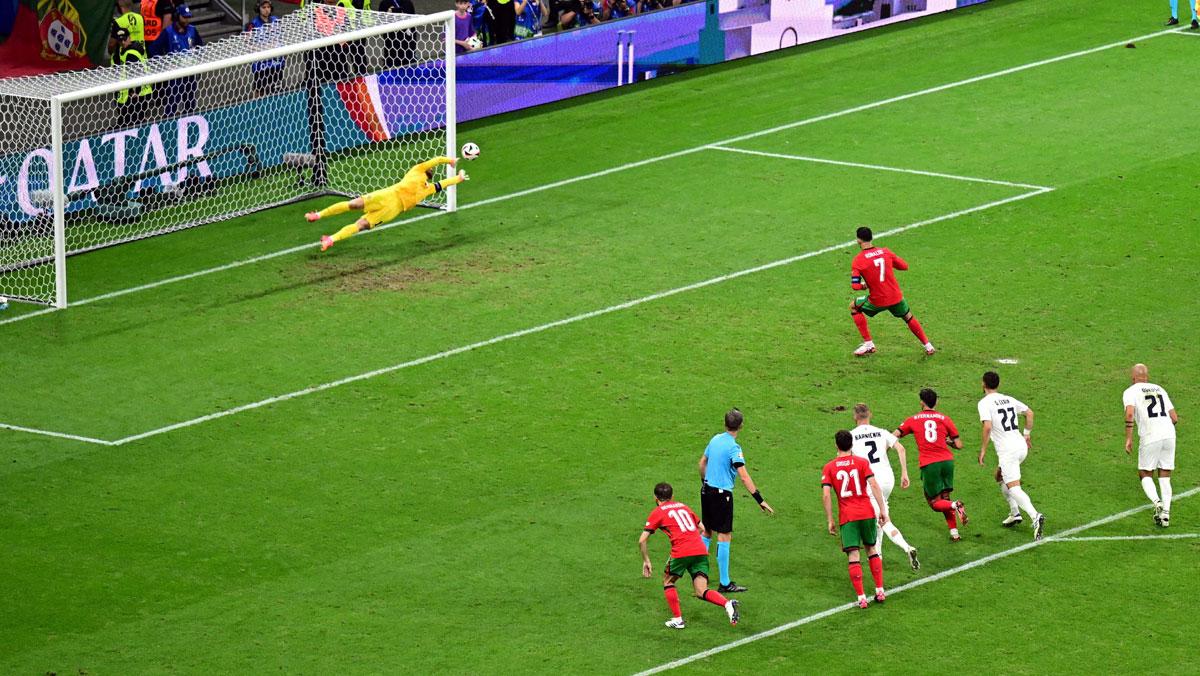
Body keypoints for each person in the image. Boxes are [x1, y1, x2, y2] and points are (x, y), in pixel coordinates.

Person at [306, 156, 469, 251]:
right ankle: (317, 215)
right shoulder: (417, 170)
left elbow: (442, 184)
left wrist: (459, 178)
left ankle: (331, 239)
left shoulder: (428, 188)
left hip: (393, 209)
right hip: (388, 196)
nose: (432, 170)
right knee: (354, 205)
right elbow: (436, 160)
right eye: (430, 168)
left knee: (360, 224)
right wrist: (450, 161)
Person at [639, 482, 740, 629]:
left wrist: (646, 560)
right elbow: (702, 528)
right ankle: (727, 604)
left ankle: (678, 619)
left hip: (681, 551)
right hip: (700, 549)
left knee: (668, 581)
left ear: (655, 497)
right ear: (672, 496)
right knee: (701, 591)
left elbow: (642, 540)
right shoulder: (683, 506)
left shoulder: (658, 512)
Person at [697, 408, 773, 594]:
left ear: (725, 424)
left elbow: (702, 463)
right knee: (724, 536)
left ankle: (698, 573)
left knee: (707, 532)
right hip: (722, 495)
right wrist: (760, 500)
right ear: (741, 426)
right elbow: (744, 477)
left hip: (706, 491)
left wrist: (705, 482)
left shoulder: (715, 439)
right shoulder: (734, 448)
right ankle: (724, 582)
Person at [822, 430, 889, 609]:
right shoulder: (862, 462)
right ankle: (880, 590)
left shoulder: (829, 467)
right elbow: (874, 484)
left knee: (853, 554)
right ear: (852, 444)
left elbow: (826, 495)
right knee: (871, 548)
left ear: (836, 445)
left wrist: (830, 519)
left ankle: (861, 597)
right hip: (867, 512)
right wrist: (883, 510)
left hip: (848, 516)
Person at [850, 403, 918, 570]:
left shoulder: (851, 436)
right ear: (870, 414)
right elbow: (901, 449)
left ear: (855, 416)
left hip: (869, 482)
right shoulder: (881, 432)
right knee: (880, 513)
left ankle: (906, 547)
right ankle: (878, 554)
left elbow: (849, 461)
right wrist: (904, 473)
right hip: (888, 480)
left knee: (882, 519)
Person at [848, 226, 935, 357]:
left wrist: (864, 286)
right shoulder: (885, 252)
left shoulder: (858, 261)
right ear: (871, 238)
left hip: (878, 300)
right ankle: (928, 346)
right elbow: (904, 266)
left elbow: (854, 286)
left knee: (854, 307)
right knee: (908, 317)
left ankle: (869, 344)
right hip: (895, 296)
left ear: (858, 240)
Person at [977, 371, 1044, 539]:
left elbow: (987, 427)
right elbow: (1030, 413)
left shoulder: (984, 403)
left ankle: (1035, 516)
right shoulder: (1009, 399)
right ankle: (1015, 513)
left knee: (1014, 487)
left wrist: (983, 449)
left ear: (983, 384)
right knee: (999, 476)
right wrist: (1027, 433)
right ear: (997, 385)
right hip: (1021, 445)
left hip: (1008, 451)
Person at [894, 388, 967, 541]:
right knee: (945, 498)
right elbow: (959, 444)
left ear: (921, 402)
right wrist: (949, 442)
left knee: (935, 503)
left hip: (930, 464)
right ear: (936, 402)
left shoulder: (913, 419)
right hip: (947, 461)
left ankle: (956, 505)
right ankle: (954, 533)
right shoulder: (944, 418)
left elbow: (895, 435)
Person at [1123, 363, 1179, 527]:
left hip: (1150, 435)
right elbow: (1174, 418)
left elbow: (1130, 413)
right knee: (1165, 474)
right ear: (1146, 377)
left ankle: (1157, 502)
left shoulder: (1130, 391)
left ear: (1133, 378)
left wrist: (1128, 438)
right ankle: (1166, 515)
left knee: (1145, 473)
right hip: (1169, 434)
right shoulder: (1159, 389)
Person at [150, 4, 203, 115]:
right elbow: (154, 48)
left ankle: (188, 123)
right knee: (172, 103)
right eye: (184, 17)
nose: (187, 20)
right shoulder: (168, 32)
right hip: (175, 75)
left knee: (190, 102)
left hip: (190, 73)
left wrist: (198, 61)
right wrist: (162, 64)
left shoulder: (193, 31)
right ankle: (168, 125)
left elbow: (200, 46)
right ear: (177, 16)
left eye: (188, 17)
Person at [111, 27, 153, 128]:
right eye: (120, 40)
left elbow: (136, 74)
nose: (123, 42)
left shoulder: (131, 53)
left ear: (129, 38)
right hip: (127, 93)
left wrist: (133, 92)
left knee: (132, 122)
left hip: (135, 95)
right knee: (129, 121)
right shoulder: (122, 50)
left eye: (124, 39)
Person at [246, 0, 285, 96]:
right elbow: (247, 43)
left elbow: (282, 37)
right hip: (261, 64)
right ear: (258, 9)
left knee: (277, 87)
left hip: (276, 62)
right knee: (260, 89)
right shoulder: (253, 25)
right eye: (264, 8)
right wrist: (263, 48)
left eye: (268, 7)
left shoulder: (276, 20)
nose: (267, 10)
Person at [378, 0, 416, 66]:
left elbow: (413, 24)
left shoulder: (408, 3)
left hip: (407, 43)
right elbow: (380, 21)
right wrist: (388, 14)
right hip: (392, 43)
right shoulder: (384, 3)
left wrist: (403, 16)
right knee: (392, 65)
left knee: (409, 66)